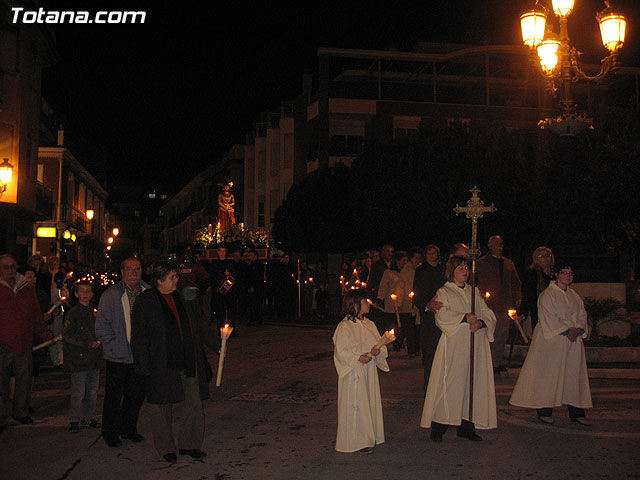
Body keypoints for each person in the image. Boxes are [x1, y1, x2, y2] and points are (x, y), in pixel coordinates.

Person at [131, 261, 221, 463]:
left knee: (193, 402)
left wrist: (218, 344)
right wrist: (143, 365)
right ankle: (166, 448)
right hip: (160, 362)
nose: (177, 280)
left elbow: (198, 325)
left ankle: (190, 444)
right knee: (161, 406)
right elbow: (139, 337)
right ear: (160, 281)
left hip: (188, 359)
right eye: (172, 277)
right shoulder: (145, 301)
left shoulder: (184, 297)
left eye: (176, 276)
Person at [420, 256, 497, 442]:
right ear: (452, 270)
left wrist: (481, 323)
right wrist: (464, 318)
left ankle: (466, 424)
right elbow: (442, 315)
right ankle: (439, 425)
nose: (465, 271)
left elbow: (487, 312)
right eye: (460, 267)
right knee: (451, 383)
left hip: (475, 343)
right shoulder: (445, 291)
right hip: (455, 344)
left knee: (472, 383)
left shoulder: (474, 292)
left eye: (467, 268)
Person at [509, 262, 592, 425]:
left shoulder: (574, 296)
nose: (567, 275)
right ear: (556, 275)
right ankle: (544, 410)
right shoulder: (547, 295)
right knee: (549, 376)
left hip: (572, 342)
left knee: (574, 376)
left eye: (570, 273)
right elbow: (548, 318)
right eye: (564, 272)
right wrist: (567, 330)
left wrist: (578, 330)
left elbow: (582, 315)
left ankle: (576, 411)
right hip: (553, 342)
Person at [95, 256, 149, 447]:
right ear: (122, 272)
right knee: (113, 397)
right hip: (118, 355)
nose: (134, 272)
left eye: (137, 268)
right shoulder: (111, 295)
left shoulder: (147, 292)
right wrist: (112, 346)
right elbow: (101, 325)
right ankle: (110, 432)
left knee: (135, 396)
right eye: (130, 269)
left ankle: (128, 429)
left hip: (140, 356)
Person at [0, 254, 54, 430]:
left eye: (12, 266)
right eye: (6, 267)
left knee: (24, 382)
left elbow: (36, 315)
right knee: (2, 385)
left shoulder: (26, 289)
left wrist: (46, 335)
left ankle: (20, 412)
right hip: (2, 345)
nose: (10, 270)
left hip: (24, 343)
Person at [333, 289, 389, 454]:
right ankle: (356, 440)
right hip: (354, 373)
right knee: (356, 405)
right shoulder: (344, 326)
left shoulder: (369, 324)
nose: (368, 303)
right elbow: (341, 350)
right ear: (355, 303)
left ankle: (371, 435)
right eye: (364, 300)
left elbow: (379, 344)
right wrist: (357, 357)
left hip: (369, 371)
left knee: (369, 402)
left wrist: (378, 351)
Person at [475, 235, 521, 374]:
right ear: (489, 246)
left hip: (504, 304)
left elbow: (515, 282)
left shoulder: (508, 263)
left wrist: (517, 297)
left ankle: (497, 362)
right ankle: (488, 363)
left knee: (502, 334)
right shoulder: (481, 263)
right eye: (496, 243)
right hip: (488, 306)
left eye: (501, 243)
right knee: (490, 334)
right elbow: (475, 281)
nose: (499, 246)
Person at [62, 280, 103, 433]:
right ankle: (74, 419)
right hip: (79, 358)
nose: (85, 294)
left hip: (94, 358)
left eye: (88, 291)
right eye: (82, 291)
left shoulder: (95, 312)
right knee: (79, 391)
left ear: (92, 294)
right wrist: (85, 343)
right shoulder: (73, 313)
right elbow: (67, 334)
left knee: (92, 390)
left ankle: (88, 416)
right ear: (77, 294)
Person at [413, 245, 445, 392]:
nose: (432, 256)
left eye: (434, 253)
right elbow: (417, 290)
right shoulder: (421, 270)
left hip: (442, 310)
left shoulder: (442, 269)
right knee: (430, 350)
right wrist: (424, 305)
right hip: (427, 312)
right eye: (429, 253)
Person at [519, 246, 555, 333]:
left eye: (547, 255)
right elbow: (527, 294)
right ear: (536, 259)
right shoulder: (532, 274)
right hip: (539, 310)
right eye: (541, 256)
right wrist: (523, 312)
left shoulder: (556, 274)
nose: (545, 258)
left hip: (555, 310)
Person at [377, 251, 408, 351]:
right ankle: (395, 342)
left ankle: (400, 340)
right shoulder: (389, 273)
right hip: (391, 304)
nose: (405, 263)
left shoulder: (406, 273)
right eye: (403, 261)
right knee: (393, 323)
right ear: (397, 261)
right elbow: (383, 286)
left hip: (403, 303)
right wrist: (380, 298)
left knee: (403, 323)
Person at [395, 248, 422, 357]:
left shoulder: (421, 270)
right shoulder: (406, 271)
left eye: (419, 258)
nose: (417, 260)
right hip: (407, 303)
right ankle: (411, 350)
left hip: (418, 303)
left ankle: (417, 349)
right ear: (411, 259)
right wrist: (399, 301)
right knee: (409, 328)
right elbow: (400, 286)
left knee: (418, 328)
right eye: (416, 258)